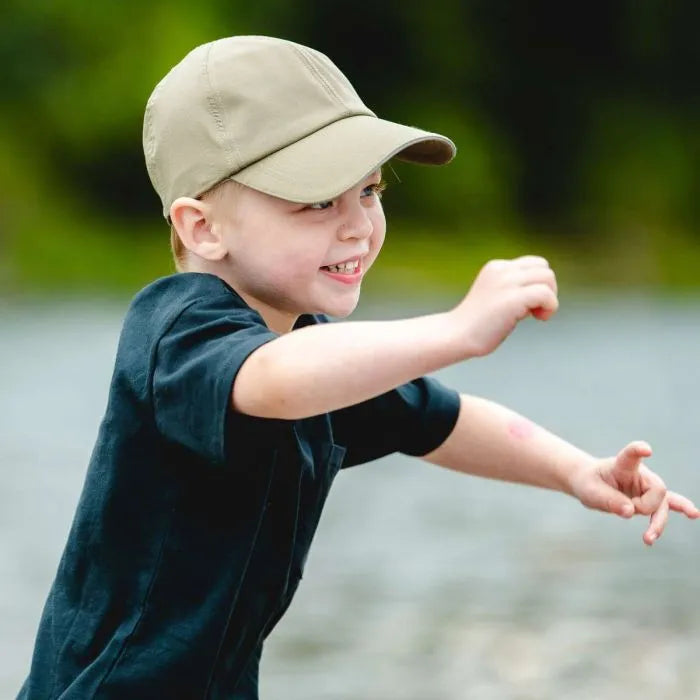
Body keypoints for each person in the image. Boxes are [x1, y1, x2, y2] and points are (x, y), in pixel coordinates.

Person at [18, 35, 698, 700]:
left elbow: (443, 421)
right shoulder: (177, 329)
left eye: (369, 192)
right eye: (317, 201)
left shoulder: (317, 352)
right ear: (203, 228)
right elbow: (272, 380)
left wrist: (577, 471)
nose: (357, 227)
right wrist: (455, 330)